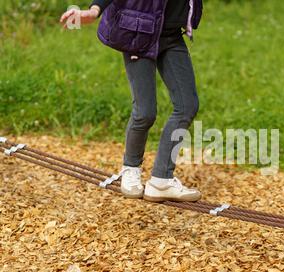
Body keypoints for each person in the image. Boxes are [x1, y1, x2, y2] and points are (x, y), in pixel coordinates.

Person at [60, 0, 203, 202]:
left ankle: (161, 179)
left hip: (171, 37)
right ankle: (130, 168)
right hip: (140, 35)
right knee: (145, 113)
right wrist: (94, 10)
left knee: (187, 105)